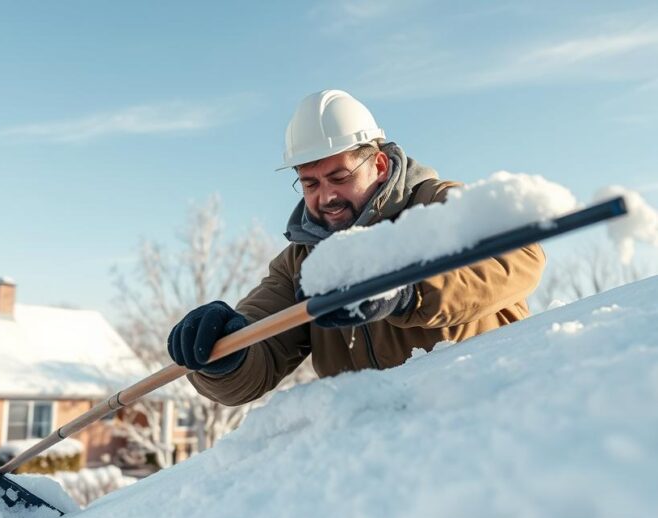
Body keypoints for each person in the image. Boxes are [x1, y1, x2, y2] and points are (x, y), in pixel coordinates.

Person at [167, 89, 546, 406]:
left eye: (339, 177)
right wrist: (225, 356)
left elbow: (521, 256)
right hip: (377, 456)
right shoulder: (301, 262)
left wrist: (407, 292)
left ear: (379, 165)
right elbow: (260, 354)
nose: (326, 196)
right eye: (310, 183)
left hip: (488, 412)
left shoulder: (437, 205)